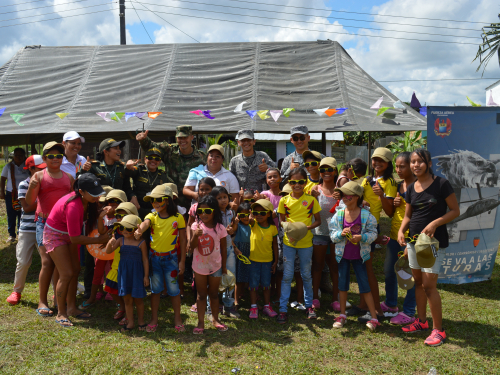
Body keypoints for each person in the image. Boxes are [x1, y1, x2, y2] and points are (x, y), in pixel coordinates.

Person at [398, 149, 459, 347]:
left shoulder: (441, 184)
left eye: (420, 162)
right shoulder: (411, 187)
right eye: (413, 162)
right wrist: (401, 231)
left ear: (429, 163)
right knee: (418, 283)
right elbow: (408, 215)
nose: (416, 165)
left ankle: (438, 330)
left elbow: (455, 211)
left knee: (429, 286)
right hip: (414, 242)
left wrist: (435, 223)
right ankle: (421, 322)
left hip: (432, 243)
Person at [43, 174, 111, 327]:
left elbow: (76, 235)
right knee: (66, 273)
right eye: (93, 193)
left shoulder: (89, 201)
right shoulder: (73, 206)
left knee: (75, 269)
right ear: (81, 191)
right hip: (55, 235)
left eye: (97, 191)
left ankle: (72, 308)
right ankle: (61, 312)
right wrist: (98, 241)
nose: (97, 196)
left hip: (69, 234)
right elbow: (75, 239)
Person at [25, 141, 74, 318]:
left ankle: (57, 299)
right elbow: (29, 202)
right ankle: (42, 301)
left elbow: (72, 200)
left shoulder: (68, 178)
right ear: (44, 158)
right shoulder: (39, 176)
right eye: (51, 156)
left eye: (59, 156)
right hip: (44, 223)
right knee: (47, 262)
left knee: (60, 265)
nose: (55, 159)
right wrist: (32, 185)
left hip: (62, 225)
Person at [329, 181, 380, 331]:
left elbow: (373, 233)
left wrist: (362, 238)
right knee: (342, 285)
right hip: (342, 256)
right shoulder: (338, 215)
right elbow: (332, 234)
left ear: (357, 197)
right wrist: (340, 234)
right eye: (342, 195)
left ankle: (374, 317)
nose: (344, 198)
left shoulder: (366, 216)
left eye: (347, 195)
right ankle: (342, 315)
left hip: (360, 256)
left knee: (364, 286)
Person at [354, 148, 397, 323]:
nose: (377, 163)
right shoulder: (367, 179)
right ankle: (363, 305)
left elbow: (390, 212)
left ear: (388, 164)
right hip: (358, 225)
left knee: (368, 269)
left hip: (371, 227)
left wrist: (383, 196)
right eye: (375, 160)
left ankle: (377, 310)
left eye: (382, 160)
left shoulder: (390, 183)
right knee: (360, 268)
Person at [135, 185, 186, 333]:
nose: (155, 204)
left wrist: (182, 261)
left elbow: (183, 241)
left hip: (171, 259)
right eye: (152, 201)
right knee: (155, 290)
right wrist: (139, 230)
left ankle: (178, 319)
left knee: (174, 290)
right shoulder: (152, 216)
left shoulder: (178, 218)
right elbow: (145, 224)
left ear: (168, 201)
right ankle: (154, 319)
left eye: (158, 200)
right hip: (155, 259)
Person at [277, 167, 321, 324]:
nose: (297, 185)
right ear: (289, 182)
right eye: (294, 182)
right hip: (289, 243)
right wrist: (290, 230)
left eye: (301, 182)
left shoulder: (311, 200)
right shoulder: (284, 200)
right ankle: (283, 309)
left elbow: (318, 220)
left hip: (306, 243)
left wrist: (304, 228)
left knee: (306, 274)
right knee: (287, 276)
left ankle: (309, 306)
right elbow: (282, 222)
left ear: (305, 182)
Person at [6, 155, 45, 305]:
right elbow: (27, 208)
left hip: (46, 227)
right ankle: (16, 291)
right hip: (28, 228)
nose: (43, 171)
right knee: (23, 261)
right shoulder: (24, 184)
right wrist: (45, 200)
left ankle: (56, 293)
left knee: (49, 262)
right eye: (39, 169)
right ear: (30, 169)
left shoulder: (48, 182)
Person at [136, 125, 206, 209]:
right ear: (176, 138)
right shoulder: (169, 151)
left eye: (185, 137)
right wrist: (143, 140)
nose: (182, 140)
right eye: (180, 138)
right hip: (171, 203)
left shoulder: (201, 157)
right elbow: (152, 147)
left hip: (193, 203)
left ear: (191, 137)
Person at [383, 152, 417, 324]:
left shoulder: (419, 186)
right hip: (395, 235)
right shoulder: (397, 186)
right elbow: (390, 214)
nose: (398, 170)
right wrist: (392, 203)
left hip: (413, 238)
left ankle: (409, 311)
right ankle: (391, 304)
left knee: (411, 275)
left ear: (412, 166)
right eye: (396, 166)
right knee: (389, 271)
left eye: (402, 166)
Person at [190, 195, 228, 334]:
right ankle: (200, 322)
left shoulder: (220, 228)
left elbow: (224, 248)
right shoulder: (195, 226)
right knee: (200, 294)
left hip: (215, 266)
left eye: (207, 211)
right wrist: (195, 235)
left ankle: (215, 319)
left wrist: (224, 267)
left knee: (213, 294)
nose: (203, 214)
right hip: (199, 267)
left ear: (215, 211)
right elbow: (191, 246)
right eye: (200, 211)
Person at [107, 214, 149, 333]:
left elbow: (145, 260)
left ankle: (141, 321)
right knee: (127, 300)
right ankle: (130, 322)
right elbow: (108, 251)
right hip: (124, 275)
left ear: (137, 230)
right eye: (122, 228)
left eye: (129, 229)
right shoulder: (120, 241)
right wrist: (110, 242)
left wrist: (146, 276)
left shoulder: (141, 243)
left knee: (138, 299)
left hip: (137, 274)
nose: (125, 231)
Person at [310, 157, 339, 310]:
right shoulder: (315, 190)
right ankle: (315, 297)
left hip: (336, 235)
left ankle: (335, 299)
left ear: (335, 171)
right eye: (323, 169)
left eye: (330, 169)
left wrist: (341, 198)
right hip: (319, 232)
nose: (326, 172)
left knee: (334, 266)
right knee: (317, 266)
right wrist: (311, 198)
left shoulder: (341, 191)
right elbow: (308, 211)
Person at [104, 202, 139, 324]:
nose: (119, 218)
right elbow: (109, 250)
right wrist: (111, 240)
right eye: (118, 216)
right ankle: (122, 306)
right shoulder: (117, 230)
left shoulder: (137, 233)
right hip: (117, 265)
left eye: (123, 216)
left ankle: (129, 313)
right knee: (110, 288)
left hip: (130, 267)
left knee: (128, 293)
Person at [210, 186, 239, 318]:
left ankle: (228, 306)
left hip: (229, 249)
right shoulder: (212, 214)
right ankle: (210, 309)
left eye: (225, 197)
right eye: (219, 198)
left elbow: (231, 230)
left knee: (230, 277)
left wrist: (233, 229)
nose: (223, 200)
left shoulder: (231, 213)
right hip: (215, 251)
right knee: (214, 279)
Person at [248, 199, 279, 319]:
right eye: (256, 213)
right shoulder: (253, 224)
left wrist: (275, 261)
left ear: (269, 214)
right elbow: (250, 220)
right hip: (253, 260)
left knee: (266, 284)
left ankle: (267, 306)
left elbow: (275, 245)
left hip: (267, 261)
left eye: (262, 213)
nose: (258, 216)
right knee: (253, 285)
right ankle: (253, 307)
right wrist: (251, 216)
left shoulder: (273, 228)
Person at [257, 168, 283, 303]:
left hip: (281, 234)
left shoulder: (285, 195)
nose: (272, 179)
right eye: (269, 177)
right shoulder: (264, 194)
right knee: (267, 264)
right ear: (266, 180)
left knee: (278, 265)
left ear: (280, 178)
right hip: (265, 234)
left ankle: (278, 293)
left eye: (275, 176)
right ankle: (267, 291)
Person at [125, 147, 170, 219]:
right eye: (150, 158)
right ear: (145, 159)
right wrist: (128, 167)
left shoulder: (163, 175)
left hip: (156, 211)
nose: (153, 161)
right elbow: (128, 173)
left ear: (160, 161)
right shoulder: (139, 169)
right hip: (138, 209)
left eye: (157, 159)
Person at [1, 147, 28, 243]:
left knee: (22, 213)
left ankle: (20, 232)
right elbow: (3, 179)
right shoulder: (8, 166)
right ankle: (11, 234)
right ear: (14, 156)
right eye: (16, 155)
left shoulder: (27, 166)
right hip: (11, 193)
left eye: (21, 155)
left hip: (25, 193)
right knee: (11, 214)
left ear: (24, 156)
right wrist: (1, 191)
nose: (19, 157)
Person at [231, 202, 252, 308]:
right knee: (238, 278)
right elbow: (232, 232)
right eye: (242, 215)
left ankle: (242, 296)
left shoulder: (253, 225)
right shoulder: (237, 225)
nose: (245, 218)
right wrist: (235, 222)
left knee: (246, 276)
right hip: (240, 253)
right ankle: (235, 301)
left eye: (247, 215)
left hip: (250, 253)